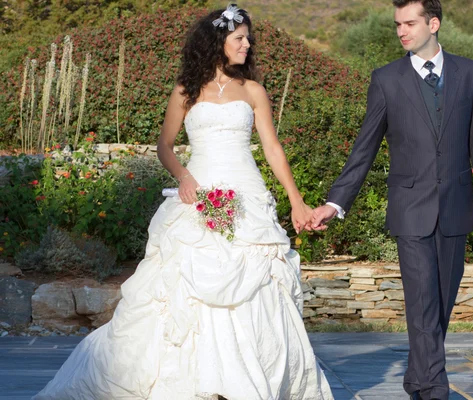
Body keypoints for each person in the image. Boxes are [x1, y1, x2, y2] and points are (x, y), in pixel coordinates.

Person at [33, 5, 333, 400]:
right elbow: (165, 145)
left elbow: (273, 149)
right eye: (239, 37)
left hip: (247, 195)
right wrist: (185, 178)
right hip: (198, 192)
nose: (247, 44)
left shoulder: (254, 91)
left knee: (256, 283)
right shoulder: (185, 91)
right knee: (184, 282)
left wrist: (296, 201)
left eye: (248, 39)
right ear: (217, 42)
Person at [311, 0, 473, 399]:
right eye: (397, 24)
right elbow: (363, 149)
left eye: (409, 23)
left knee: (441, 304)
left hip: (455, 209)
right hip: (409, 209)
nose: (401, 31)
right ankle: (435, 389)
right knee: (422, 301)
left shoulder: (469, 73)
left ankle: (417, 380)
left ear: (433, 24)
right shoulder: (386, 79)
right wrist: (336, 203)